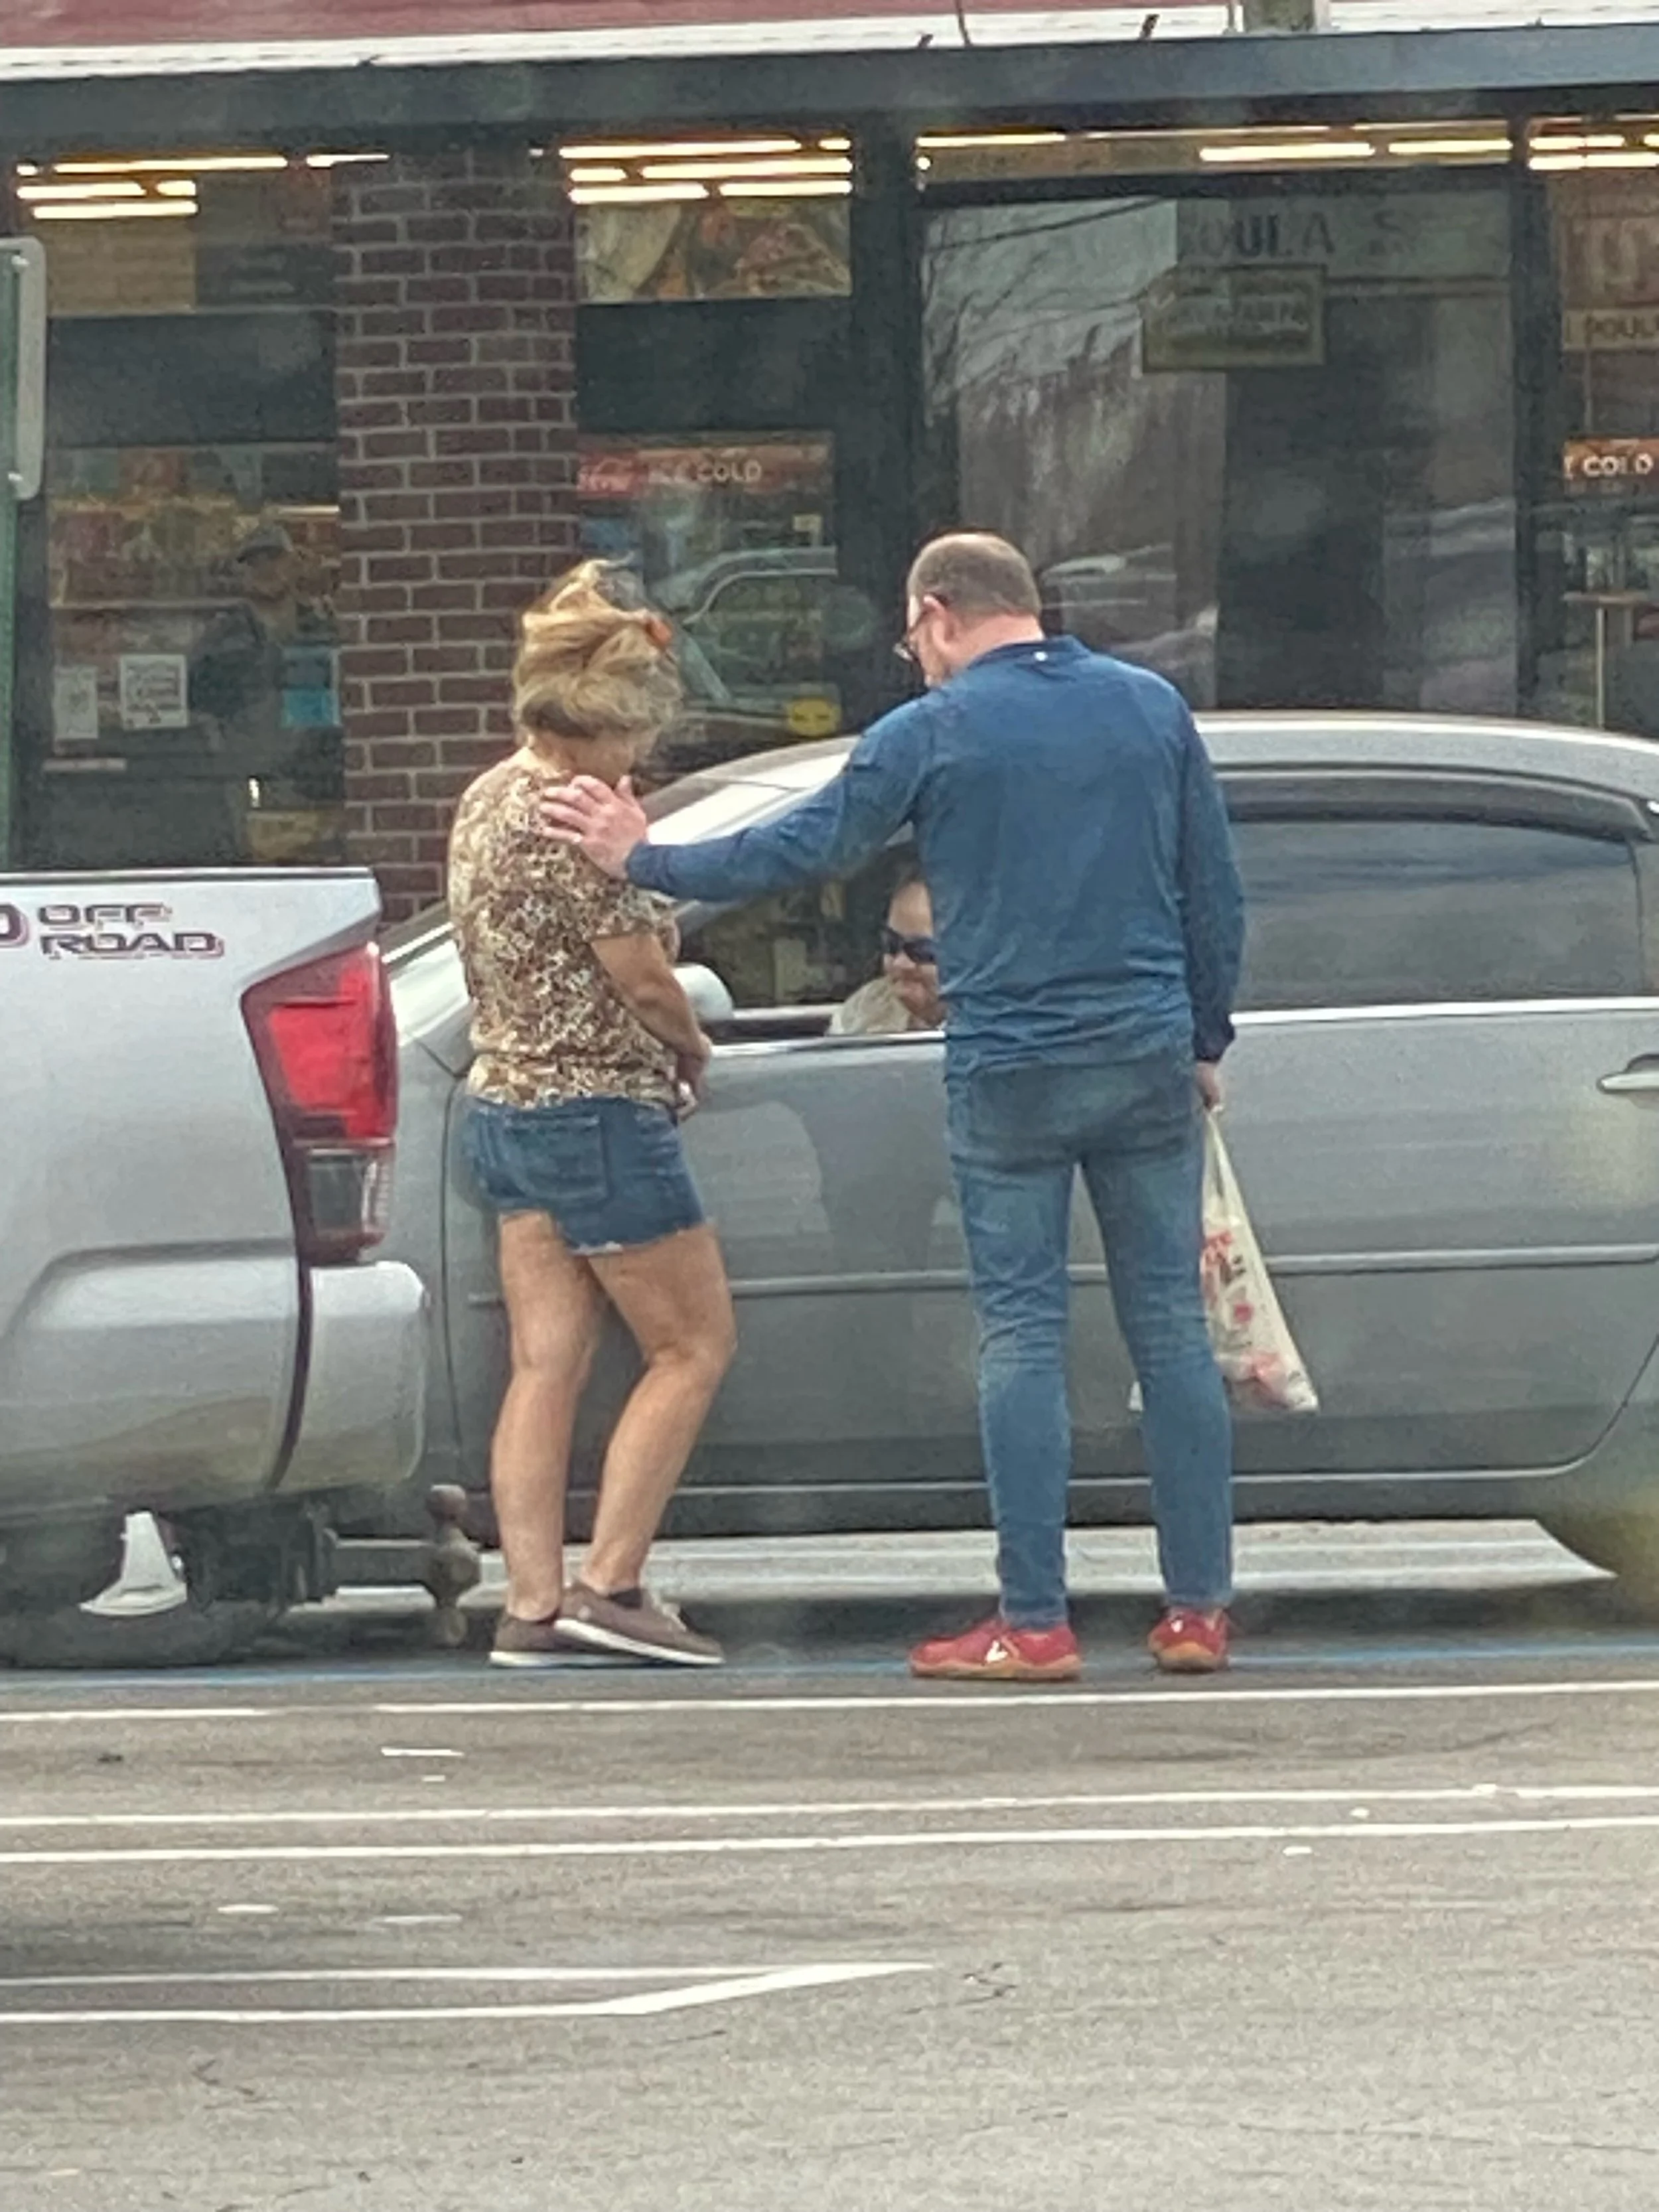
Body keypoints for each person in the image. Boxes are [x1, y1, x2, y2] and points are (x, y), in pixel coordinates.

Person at [545, 532, 1245, 1683]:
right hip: (1142, 1050)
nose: (915, 656)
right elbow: (1211, 889)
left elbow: (803, 844)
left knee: (1021, 1331)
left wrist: (643, 856)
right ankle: (1198, 1612)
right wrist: (1203, 1036)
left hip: (1011, 1059)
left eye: (913, 637)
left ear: (937, 613)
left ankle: (1035, 1620)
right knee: (1168, 1326)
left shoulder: (936, 727)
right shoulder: (1150, 709)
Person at [449, 561, 737, 1670]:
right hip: (598, 1110)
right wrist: (693, 1042)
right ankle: (611, 1582)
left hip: (506, 1104)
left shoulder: (488, 796)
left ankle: (528, 1602)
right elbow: (645, 977)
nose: (644, 763)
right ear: (607, 724)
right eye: (638, 738)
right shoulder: (582, 816)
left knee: (545, 1362)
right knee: (692, 1343)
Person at [189, 520, 339, 855]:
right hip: (248, 777)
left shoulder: (322, 628)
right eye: (253, 562)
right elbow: (196, 706)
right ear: (240, 573)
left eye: (273, 558)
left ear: (293, 564)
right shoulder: (221, 637)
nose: (265, 569)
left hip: (316, 777)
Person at [830, 869, 944, 1036]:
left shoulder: (990, 1031)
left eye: (921, 950)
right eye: (892, 944)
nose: (901, 963)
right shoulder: (864, 1010)